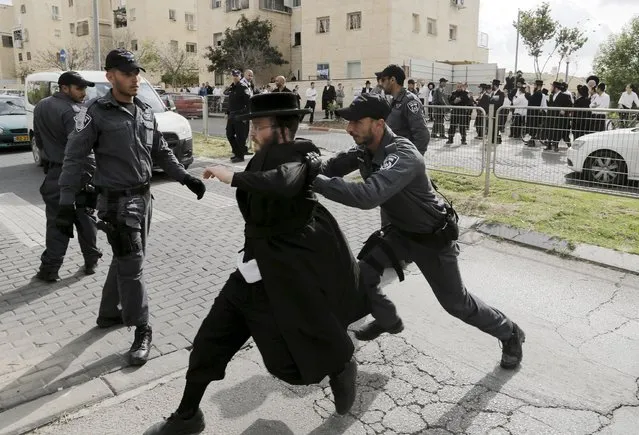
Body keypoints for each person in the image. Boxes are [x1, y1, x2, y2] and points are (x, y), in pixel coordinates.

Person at [143, 93, 367, 435]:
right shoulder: (263, 156)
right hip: (250, 271)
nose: (252, 132)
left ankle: (341, 364)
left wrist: (231, 177)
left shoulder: (300, 157)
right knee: (209, 341)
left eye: (258, 126)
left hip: (286, 279)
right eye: (252, 125)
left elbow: (284, 181)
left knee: (288, 366)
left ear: (282, 128)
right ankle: (187, 416)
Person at [308, 93, 525, 371]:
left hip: (431, 238)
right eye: (348, 122)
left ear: (379, 123)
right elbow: (331, 166)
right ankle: (387, 318)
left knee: (457, 304)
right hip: (400, 234)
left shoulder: (402, 153)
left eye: (356, 122)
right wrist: (305, 165)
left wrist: (316, 181)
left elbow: (367, 196)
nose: (349, 129)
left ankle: (509, 333)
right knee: (362, 274)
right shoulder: (365, 149)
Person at [56, 49, 207, 366]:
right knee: (133, 265)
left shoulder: (145, 111)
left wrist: (185, 178)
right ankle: (142, 328)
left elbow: (162, 151)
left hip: (144, 198)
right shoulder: (94, 113)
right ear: (110, 76)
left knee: (126, 261)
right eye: (127, 73)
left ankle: (109, 313)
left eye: (137, 72)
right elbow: (73, 157)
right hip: (117, 204)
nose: (135, 78)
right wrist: (66, 203)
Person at [33, 71, 102, 282]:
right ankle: (91, 260)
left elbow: (39, 140)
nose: (84, 93)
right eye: (79, 88)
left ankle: (50, 269)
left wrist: (49, 163)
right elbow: (82, 148)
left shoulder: (41, 106)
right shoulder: (75, 112)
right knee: (85, 218)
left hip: (54, 172)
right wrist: (91, 176)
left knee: (56, 222)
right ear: (64, 88)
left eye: (85, 88)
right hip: (76, 173)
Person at [377, 64, 429, 154]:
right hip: (394, 153)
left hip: (404, 157)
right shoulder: (394, 100)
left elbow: (422, 134)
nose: (381, 83)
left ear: (392, 80)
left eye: (383, 80)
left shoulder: (409, 101)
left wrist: (413, 158)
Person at [225, 69, 253, 163]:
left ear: (240, 76)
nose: (235, 77)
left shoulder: (243, 87)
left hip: (240, 116)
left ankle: (240, 156)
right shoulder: (232, 87)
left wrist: (245, 115)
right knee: (229, 134)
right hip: (232, 115)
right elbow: (229, 100)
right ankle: (237, 153)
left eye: (237, 76)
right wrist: (227, 112)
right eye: (233, 76)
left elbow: (249, 102)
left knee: (240, 137)